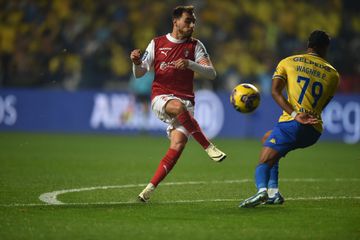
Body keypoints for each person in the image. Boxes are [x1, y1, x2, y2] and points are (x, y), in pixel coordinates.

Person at [130, 5, 226, 202]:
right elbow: (140, 74)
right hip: (162, 97)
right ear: (175, 22)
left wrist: (190, 63)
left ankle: (148, 190)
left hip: (187, 101)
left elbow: (212, 73)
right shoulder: (157, 43)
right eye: (187, 21)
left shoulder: (196, 46)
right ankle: (207, 146)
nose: (191, 25)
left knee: (178, 144)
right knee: (178, 107)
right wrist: (136, 62)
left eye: (193, 22)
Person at [239, 30, 340, 208]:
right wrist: (307, 116)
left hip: (292, 124)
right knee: (268, 139)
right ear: (326, 48)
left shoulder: (288, 62)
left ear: (308, 44)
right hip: (314, 130)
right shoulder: (333, 74)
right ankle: (273, 192)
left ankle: (262, 191)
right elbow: (324, 103)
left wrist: (295, 115)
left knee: (263, 162)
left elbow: (275, 92)